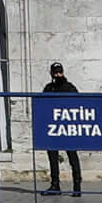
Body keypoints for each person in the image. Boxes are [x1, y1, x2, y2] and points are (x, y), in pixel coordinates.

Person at [38, 62, 84, 195]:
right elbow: (43, 106)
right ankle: (55, 185)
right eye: (55, 72)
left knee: (72, 155)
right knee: (52, 156)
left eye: (60, 72)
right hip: (53, 128)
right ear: (52, 74)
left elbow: (77, 105)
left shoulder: (69, 88)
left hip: (67, 127)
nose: (58, 75)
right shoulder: (49, 88)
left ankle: (77, 186)